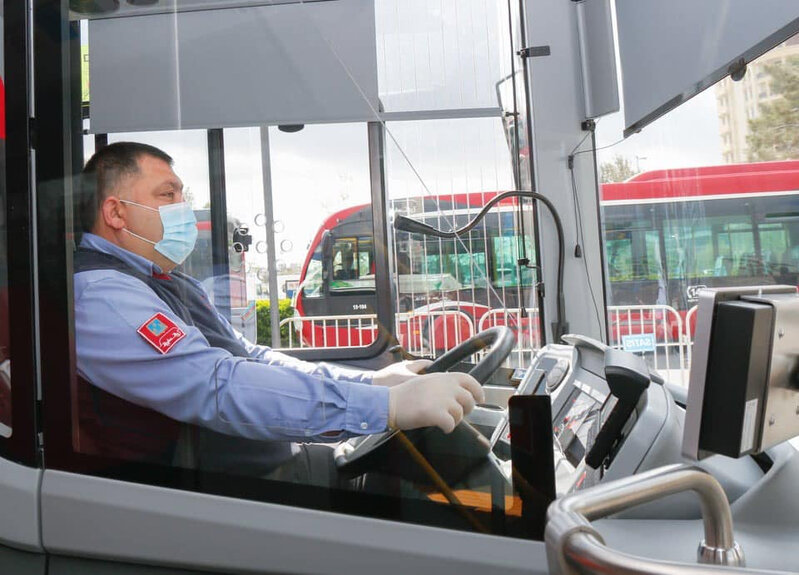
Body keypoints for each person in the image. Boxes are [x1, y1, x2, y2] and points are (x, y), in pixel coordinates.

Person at [73, 142, 484, 481]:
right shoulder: (103, 293)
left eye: (182, 196)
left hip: (253, 465)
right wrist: (384, 407)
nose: (183, 208)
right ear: (116, 213)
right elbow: (215, 384)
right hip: (208, 493)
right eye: (167, 195)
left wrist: (373, 381)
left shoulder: (166, 281)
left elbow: (250, 356)